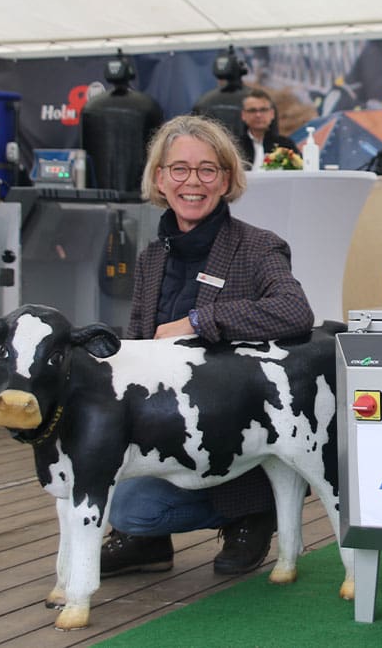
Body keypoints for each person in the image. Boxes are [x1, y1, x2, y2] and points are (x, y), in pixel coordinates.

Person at [100, 114, 314, 577]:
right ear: (160, 178)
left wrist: (199, 322)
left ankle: (252, 513)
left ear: (226, 179)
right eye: (178, 169)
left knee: (130, 504)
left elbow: (295, 312)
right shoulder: (151, 257)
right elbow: (139, 343)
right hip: (165, 430)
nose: (191, 182)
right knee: (115, 501)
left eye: (207, 169)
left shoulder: (258, 248)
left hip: (238, 437)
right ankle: (147, 542)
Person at [236, 88, 301, 170]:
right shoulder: (235, 146)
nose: (258, 115)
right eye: (252, 110)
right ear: (243, 115)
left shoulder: (285, 145)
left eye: (263, 110)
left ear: (272, 114)